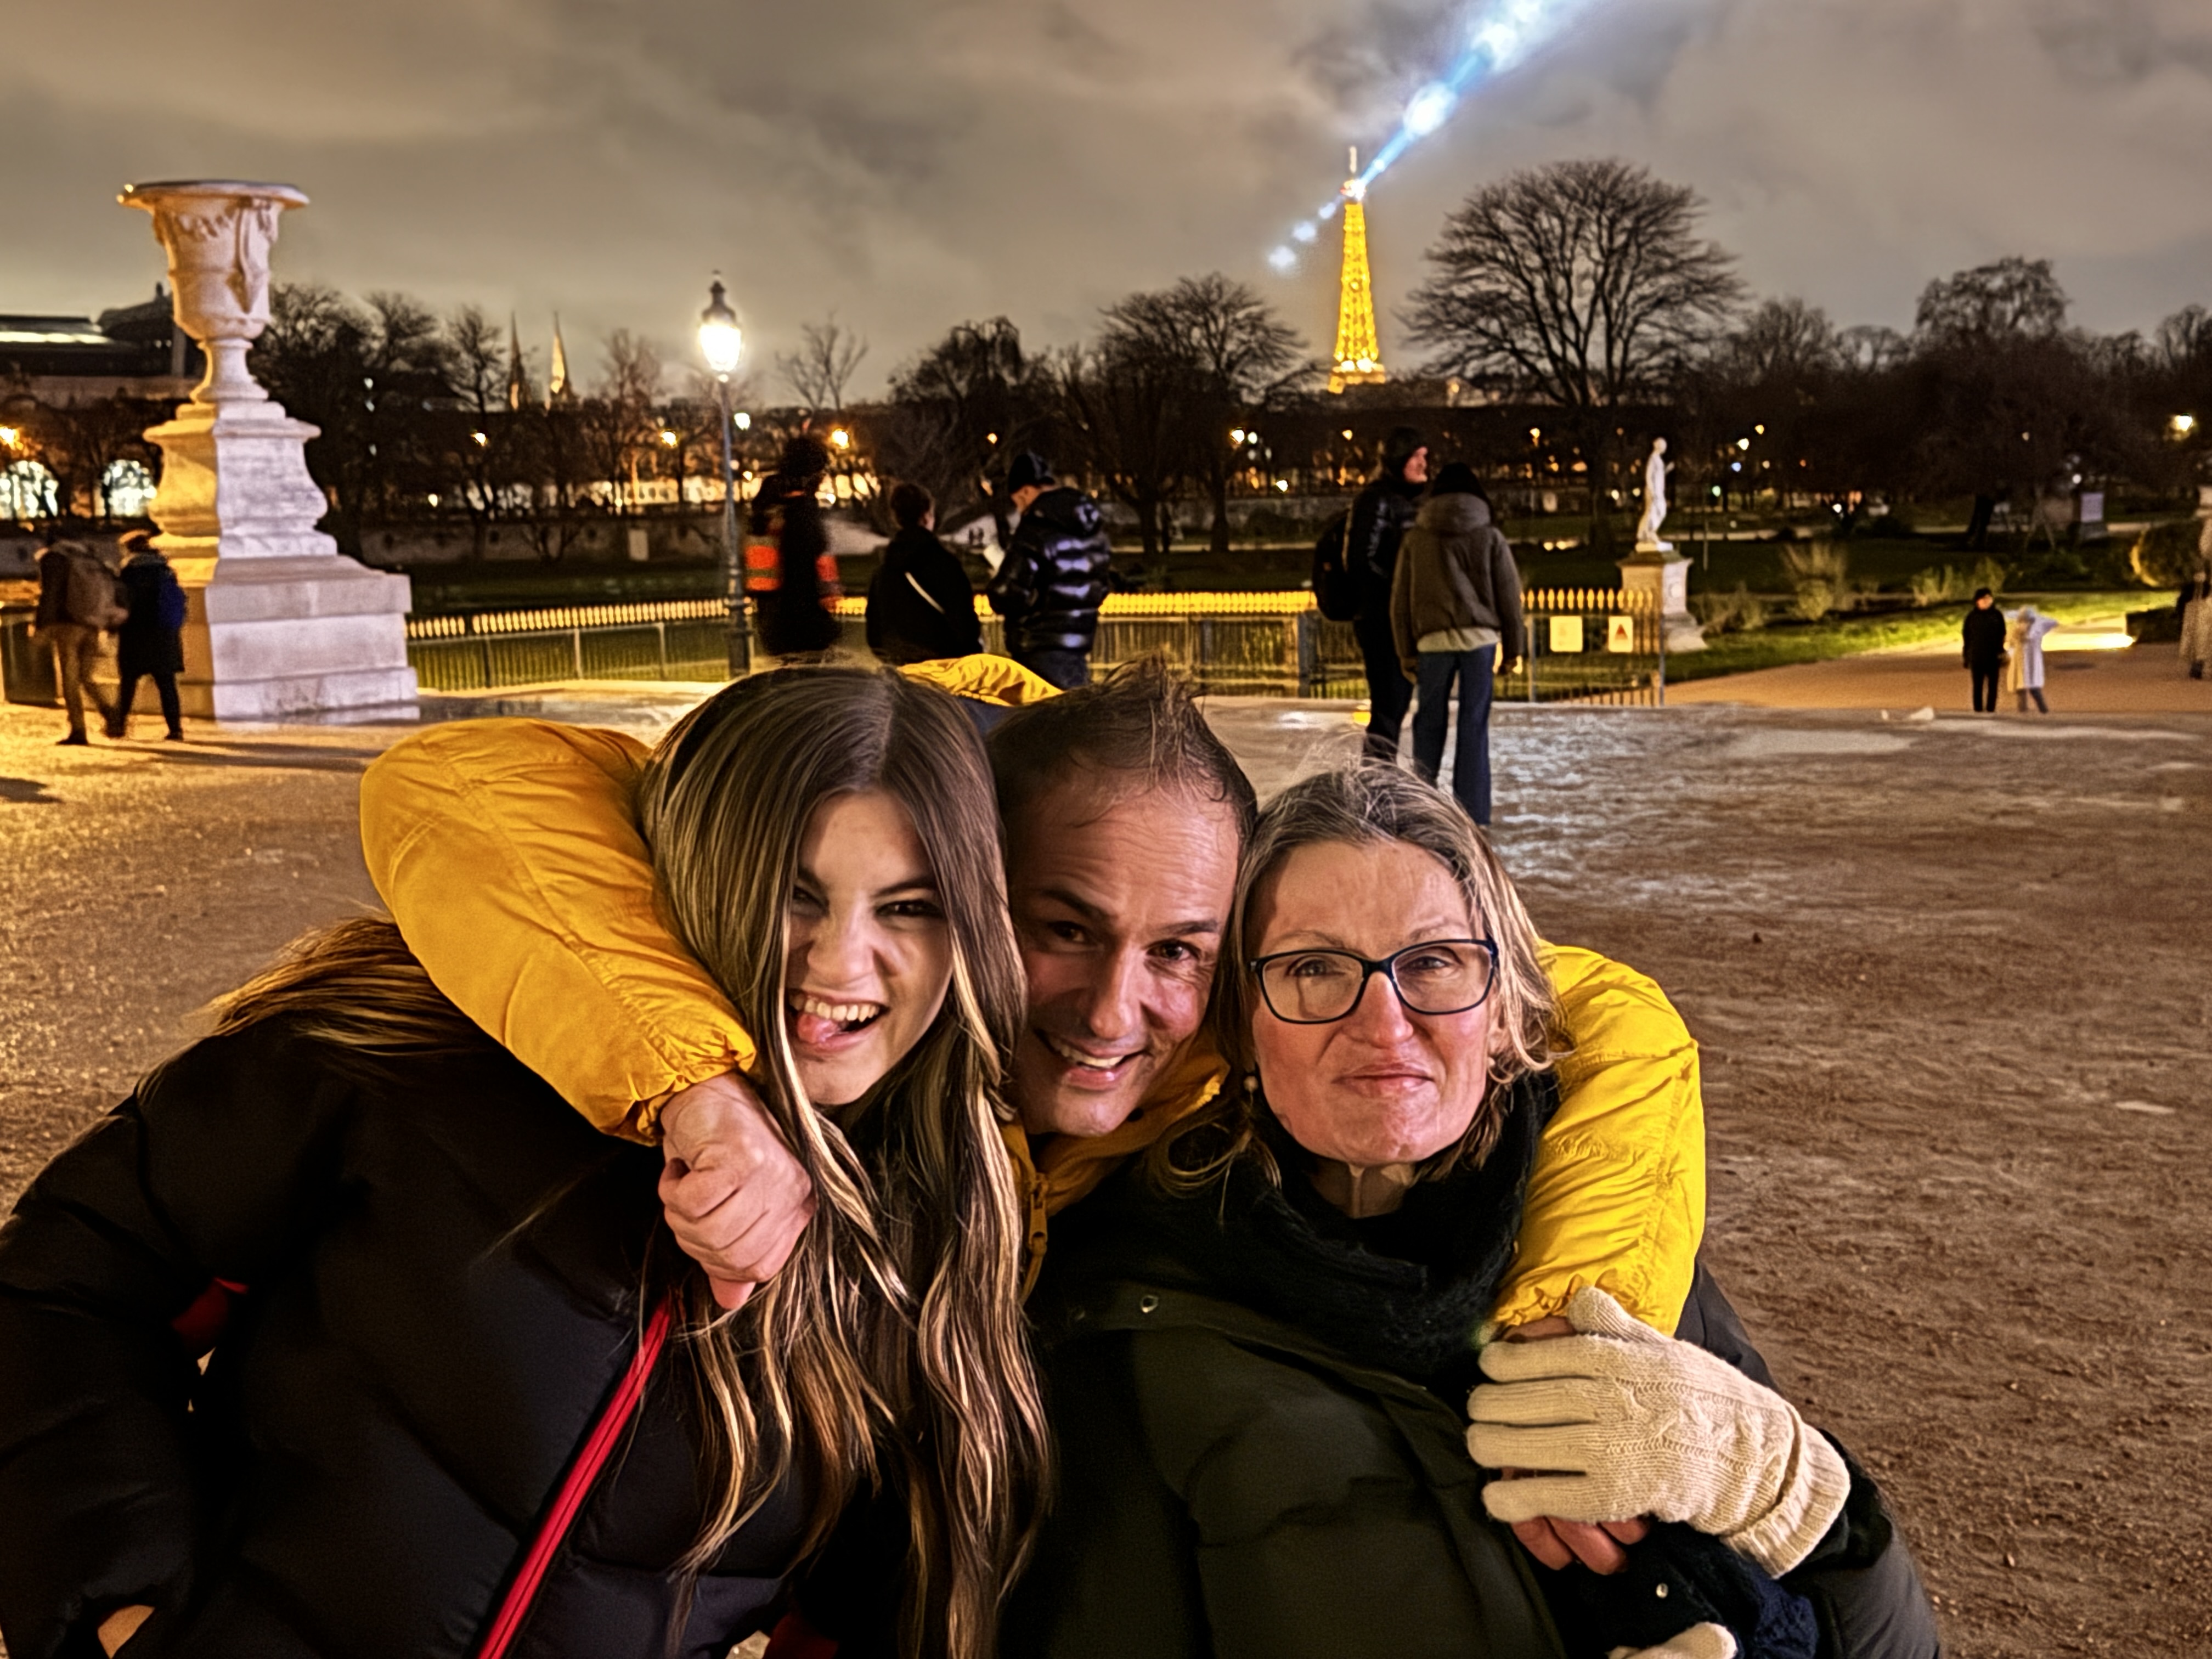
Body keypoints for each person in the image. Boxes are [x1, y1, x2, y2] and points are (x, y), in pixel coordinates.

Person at [0, 668, 1047, 1659]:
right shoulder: (414, 1048)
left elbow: (861, 1603)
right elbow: (64, 1282)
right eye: (792, 891)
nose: (839, 963)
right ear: (693, 870)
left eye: (910, 906)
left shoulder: (936, 1228)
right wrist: (120, 1605)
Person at [1003, 765, 1936, 1659]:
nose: (1382, 1020)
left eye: (1435, 961)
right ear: (1240, 1020)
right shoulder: (1124, 1328)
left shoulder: (1618, 1246)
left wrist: (1795, 1491)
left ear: (1502, 1010)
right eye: (1316, 968)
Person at [1391, 462, 1525, 827]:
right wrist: (1514, 648)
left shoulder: (1416, 539)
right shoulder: (1489, 536)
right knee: (1473, 724)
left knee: (1428, 723)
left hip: (1432, 641)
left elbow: (1400, 599)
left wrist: (1405, 650)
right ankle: (1473, 812)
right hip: (1480, 641)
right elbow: (1509, 596)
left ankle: (1422, 803)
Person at [986, 451, 1111, 690]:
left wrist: (999, 581)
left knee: (1038, 724)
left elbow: (1006, 593)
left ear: (1025, 491)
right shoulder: (1091, 527)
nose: (1020, 509)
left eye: (1018, 502)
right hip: (1078, 648)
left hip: (1037, 649)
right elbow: (1100, 586)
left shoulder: (1034, 529)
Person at [1347, 426, 1429, 762]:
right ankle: (1377, 779)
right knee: (1389, 706)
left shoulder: (1400, 501)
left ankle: (1379, 777)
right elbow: (1360, 561)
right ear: (1400, 460)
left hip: (1395, 618)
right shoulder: (1377, 500)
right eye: (1417, 457)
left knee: (1394, 707)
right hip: (1383, 620)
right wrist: (1397, 594)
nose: (1424, 464)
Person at [867, 482, 983, 666]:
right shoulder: (945, 564)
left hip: (901, 673)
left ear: (897, 518)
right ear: (927, 516)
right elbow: (965, 627)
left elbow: (874, 634)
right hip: (943, 671)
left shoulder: (884, 572)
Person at [748, 433, 842, 659]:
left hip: (772, 626)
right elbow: (807, 575)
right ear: (813, 475)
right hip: (803, 632)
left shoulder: (766, 511)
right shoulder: (803, 514)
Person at [31, 534, 121, 746]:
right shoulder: (88, 558)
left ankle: (79, 730)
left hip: (68, 625)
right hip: (92, 623)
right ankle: (110, 713)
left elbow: (50, 594)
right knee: (87, 676)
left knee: (70, 681)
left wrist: (41, 625)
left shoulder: (55, 558)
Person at [108, 529, 187, 741]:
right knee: (167, 684)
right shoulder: (166, 569)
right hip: (164, 633)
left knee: (128, 683)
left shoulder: (129, 571)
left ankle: (118, 725)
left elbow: (122, 602)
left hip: (136, 633)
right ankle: (175, 728)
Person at [2003, 603, 2058, 714]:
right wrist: (2009, 654)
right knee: (2020, 689)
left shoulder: (2036, 632)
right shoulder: (2015, 631)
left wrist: (2036, 618)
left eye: (2026, 621)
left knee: (2034, 689)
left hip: (2032, 663)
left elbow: (2053, 622)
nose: (2023, 624)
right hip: (2018, 664)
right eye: (2021, 621)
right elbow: (2010, 645)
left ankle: (2044, 711)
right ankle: (2022, 712)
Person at [1960, 588, 2006, 713]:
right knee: (1977, 686)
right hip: (1977, 657)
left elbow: (2002, 634)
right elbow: (1967, 637)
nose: (1987, 601)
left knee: (1993, 687)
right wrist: (1966, 656)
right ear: (1977, 601)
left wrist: (2001, 651)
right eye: (1984, 599)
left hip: (1993, 656)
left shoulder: (1997, 615)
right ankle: (1978, 710)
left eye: (1989, 599)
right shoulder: (1972, 617)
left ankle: (1991, 709)